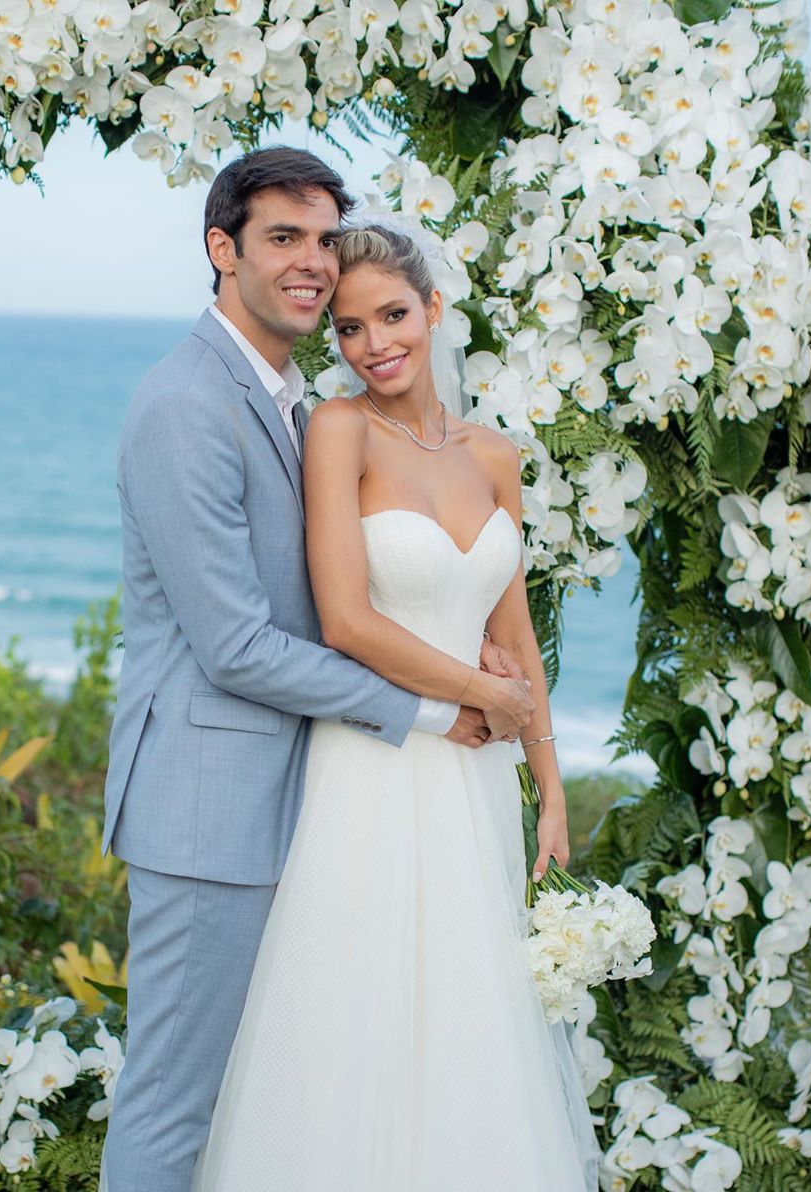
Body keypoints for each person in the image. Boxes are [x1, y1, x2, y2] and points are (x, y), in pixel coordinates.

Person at [101, 148, 536, 1192]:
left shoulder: (300, 405)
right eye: (280, 238)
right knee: (176, 1105)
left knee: (287, 1104)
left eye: (321, 240)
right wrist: (438, 708)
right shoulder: (185, 405)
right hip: (209, 810)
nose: (309, 264)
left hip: (313, 805)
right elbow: (238, 644)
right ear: (222, 249)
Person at [187, 223, 600, 1190]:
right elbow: (345, 620)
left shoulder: (495, 456)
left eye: (392, 316)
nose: (374, 344)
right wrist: (477, 691)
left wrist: (549, 784)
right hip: (376, 764)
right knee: (354, 1022)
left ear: (433, 311)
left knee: (471, 1019)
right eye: (350, 327)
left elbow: (518, 627)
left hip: (478, 777)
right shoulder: (339, 430)